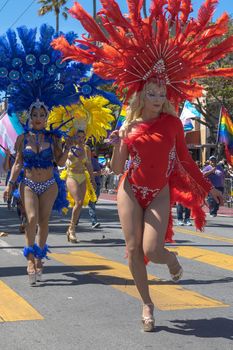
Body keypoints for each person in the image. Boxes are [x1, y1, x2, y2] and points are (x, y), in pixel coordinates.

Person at [53, 0, 232, 332]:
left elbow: (184, 161)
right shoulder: (131, 127)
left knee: (154, 248)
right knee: (134, 249)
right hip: (131, 189)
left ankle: (172, 259)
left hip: (159, 190)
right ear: (141, 95)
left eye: (161, 90)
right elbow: (119, 167)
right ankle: (147, 304)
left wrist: (208, 190)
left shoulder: (173, 124)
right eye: (151, 90)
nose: (157, 94)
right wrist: (120, 140)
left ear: (165, 94)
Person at [3, 102, 71, 285]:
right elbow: (17, 163)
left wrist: (67, 148)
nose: (38, 118)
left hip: (49, 184)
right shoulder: (22, 138)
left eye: (42, 115)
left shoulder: (53, 138)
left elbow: (61, 162)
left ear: (47, 117)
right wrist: (9, 185)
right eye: (35, 115)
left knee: (43, 221)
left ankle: (40, 258)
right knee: (31, 218)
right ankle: (30, 259)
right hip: (29, 183)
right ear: (29, 117)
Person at [65, 130, 96, 242]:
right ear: (74, 137)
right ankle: (72, 229)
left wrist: (93, 180)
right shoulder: (69, 146)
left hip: (82, 176)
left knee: (81, 203)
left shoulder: (86, 149)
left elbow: (89, 164)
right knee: (78, 202)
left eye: (83, 137)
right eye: (78, 136)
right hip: (71, 175)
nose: (81, 139)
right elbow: (64, 159)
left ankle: (71, 228)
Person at [88, 148, 104, 228]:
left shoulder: (94, 161)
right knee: (80, 203)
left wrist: (91, 174)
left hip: (95, 185)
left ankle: (75, 221)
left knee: (92, 203)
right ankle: (94, 222)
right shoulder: (81, 160)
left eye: (90, 150)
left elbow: (99, 172)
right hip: (84, 185)